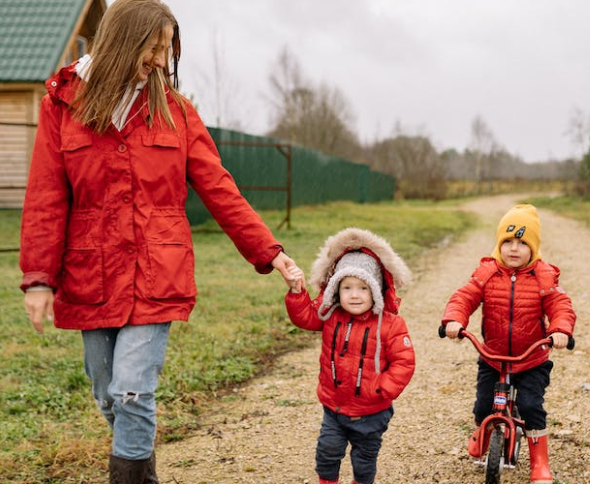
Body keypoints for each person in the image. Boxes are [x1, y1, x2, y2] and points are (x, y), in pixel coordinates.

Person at [19, 0, 300, 482]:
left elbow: (219, 187)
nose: (159, 60)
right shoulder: (61, 107)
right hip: (92, 273)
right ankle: (139, 460)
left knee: (132, 390)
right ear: (122, 42)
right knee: (107, 390)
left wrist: (269, 251)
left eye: (167, 49)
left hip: (158, 271)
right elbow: (46, 195)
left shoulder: (175, 112)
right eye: (152, 47)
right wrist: (39, 277)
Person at [441, 204, 576, 484]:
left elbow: (561, 306)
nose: (514, 249)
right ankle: (483, 433)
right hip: (493, 356)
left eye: (522, 243)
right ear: (499, 245)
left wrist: (560, 329)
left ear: (534, 248)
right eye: (508, 242)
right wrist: (454, 320)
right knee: (482, 406)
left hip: (531, 359)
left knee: (530, 407)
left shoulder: (543, 276)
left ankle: (540, 463)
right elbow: (463, 297)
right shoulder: (487, 273)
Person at [285, 228, 415, 484]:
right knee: (327, 452)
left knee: (364, 459)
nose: (354, 295)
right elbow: (305, 317)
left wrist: (382, 388)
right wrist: (296, 292)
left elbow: (404, 361)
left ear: (375, 290)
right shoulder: (331, 314)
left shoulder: (390, 324)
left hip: (372, 410)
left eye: (363, 288)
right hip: (334, 406)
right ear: (336, 290)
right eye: (347, 287)